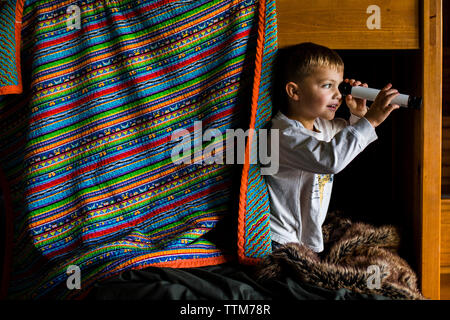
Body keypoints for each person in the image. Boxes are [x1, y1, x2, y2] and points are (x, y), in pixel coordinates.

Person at [265, 42, 400, 252]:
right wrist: (370, 121)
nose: (338, 95)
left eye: (340, 86)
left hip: (304, 238)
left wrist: (358, 115)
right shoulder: (282, 134)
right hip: (278, 240)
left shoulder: (322, 126)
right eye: (328, 86)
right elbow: (331, 159)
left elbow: (350, 142)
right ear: (294, 91)